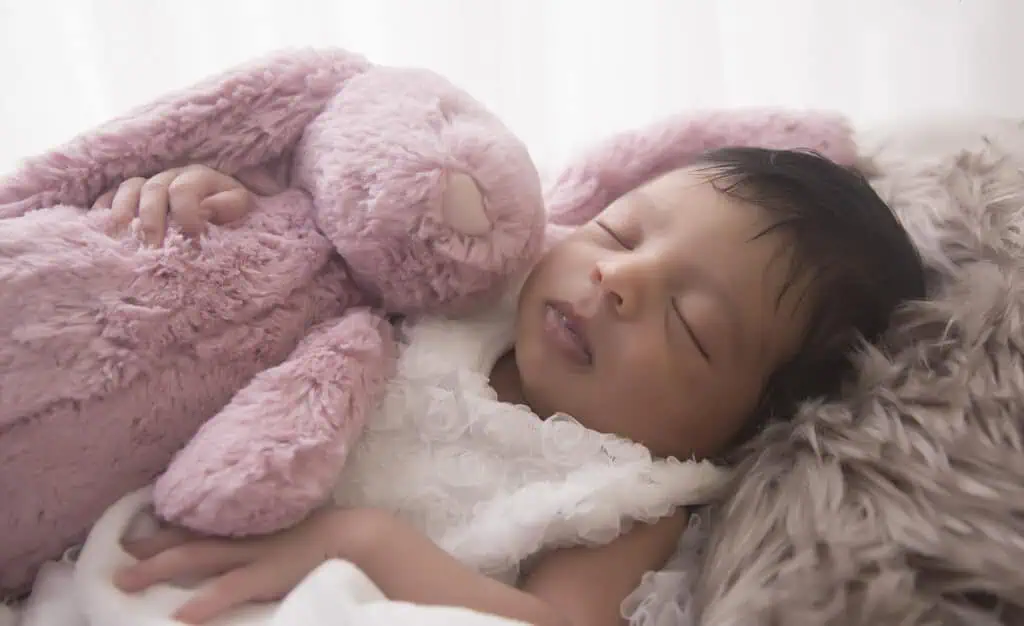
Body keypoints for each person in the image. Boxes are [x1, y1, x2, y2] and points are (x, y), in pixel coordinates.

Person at [99, 147, 926, 626]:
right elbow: (322, 253)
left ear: (750, 424)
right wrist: (232, 209)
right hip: (151, 545)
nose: (617, 277)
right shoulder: (471, 287)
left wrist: (367, 547)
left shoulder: (631, 497)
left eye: (691, 326)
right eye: (621, 229)